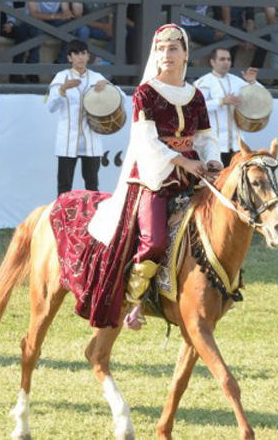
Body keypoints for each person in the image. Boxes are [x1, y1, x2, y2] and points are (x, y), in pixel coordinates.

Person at [84, 24, 222, 330]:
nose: (166, 54)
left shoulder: (195, 95)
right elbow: (146, 141)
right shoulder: (145, 93)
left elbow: (205, 136)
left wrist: (212, 160)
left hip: (193, 173)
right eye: (160, 48)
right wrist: (183, 163)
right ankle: (136, 303)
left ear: (186, 54)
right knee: (155, 240)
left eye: (173, 48)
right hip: (154, 176)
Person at [46, 40, 112, 195]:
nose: (80, 57)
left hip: (91, 139)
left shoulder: (97, 77)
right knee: (64, 186)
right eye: (76, 53)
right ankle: (62, 218)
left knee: (92, 186)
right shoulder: (61, 77)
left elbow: (119, 97)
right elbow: (51, 107)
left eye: (83, 53)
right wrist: (63, 89)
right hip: (68, 140)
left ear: (88, 56)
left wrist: (107, 87)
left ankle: (91, 217)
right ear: (70, 58)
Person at [194, 49, 259, 166]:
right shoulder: (203, 82)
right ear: (212, 62)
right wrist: (221, 101)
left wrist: (253, 82)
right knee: (216, 181)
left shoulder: (237, 81)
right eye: (222, 59)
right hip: (213, 145)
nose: (226, 62)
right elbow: (195, 108)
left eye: (229, 59)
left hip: (237, 144)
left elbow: (260, 99)